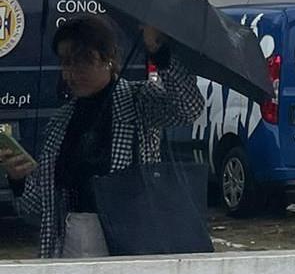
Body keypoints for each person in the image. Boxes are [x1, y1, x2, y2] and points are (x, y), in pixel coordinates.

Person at [0, 15, 203, 258]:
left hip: (128, 242)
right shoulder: (60, 121)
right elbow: (39, 209)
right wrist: (18, 180)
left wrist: (158, 50)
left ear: (108, 58)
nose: (71, 73)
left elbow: (188, 107)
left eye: (83, 61)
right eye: (65, 63)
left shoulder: (138, 101)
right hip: (67, 245)